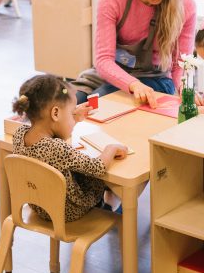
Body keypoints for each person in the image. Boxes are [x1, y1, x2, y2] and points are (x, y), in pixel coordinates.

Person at [75, 0, 197, 108]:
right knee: (71, 101)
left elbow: (180, 63)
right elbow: (103, 60)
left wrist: (184, 89)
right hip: (112, 72)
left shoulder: (186, 4)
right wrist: (133, 84)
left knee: (101, 103)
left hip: (155, 78)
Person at [11, 74, 126, 221]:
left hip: (39, 205)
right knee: (107, 173)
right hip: (68, 211)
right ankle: (109, 205)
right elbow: (98, 167)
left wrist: (74, 118)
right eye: (71, 113)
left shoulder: (20, 133)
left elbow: (52, 146)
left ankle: (109, 201)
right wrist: (111, 148)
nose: (73, 117)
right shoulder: (57, 148)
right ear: (55, 113)